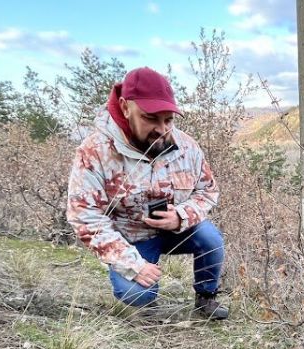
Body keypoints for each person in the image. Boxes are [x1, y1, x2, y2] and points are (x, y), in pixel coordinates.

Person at [67, 66, 228, 320]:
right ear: (124, 107)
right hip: (131, 241)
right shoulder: (95, 152)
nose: (162, 129)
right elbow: (85, 217)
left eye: (168, 120)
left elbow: (208, 190)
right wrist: (134, 265)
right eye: (151, 118)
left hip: (177, 231)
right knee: (137, 295)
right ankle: (145, 293)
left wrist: (182, 215)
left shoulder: (187, 147)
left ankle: (206, 298)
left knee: (211, 239)